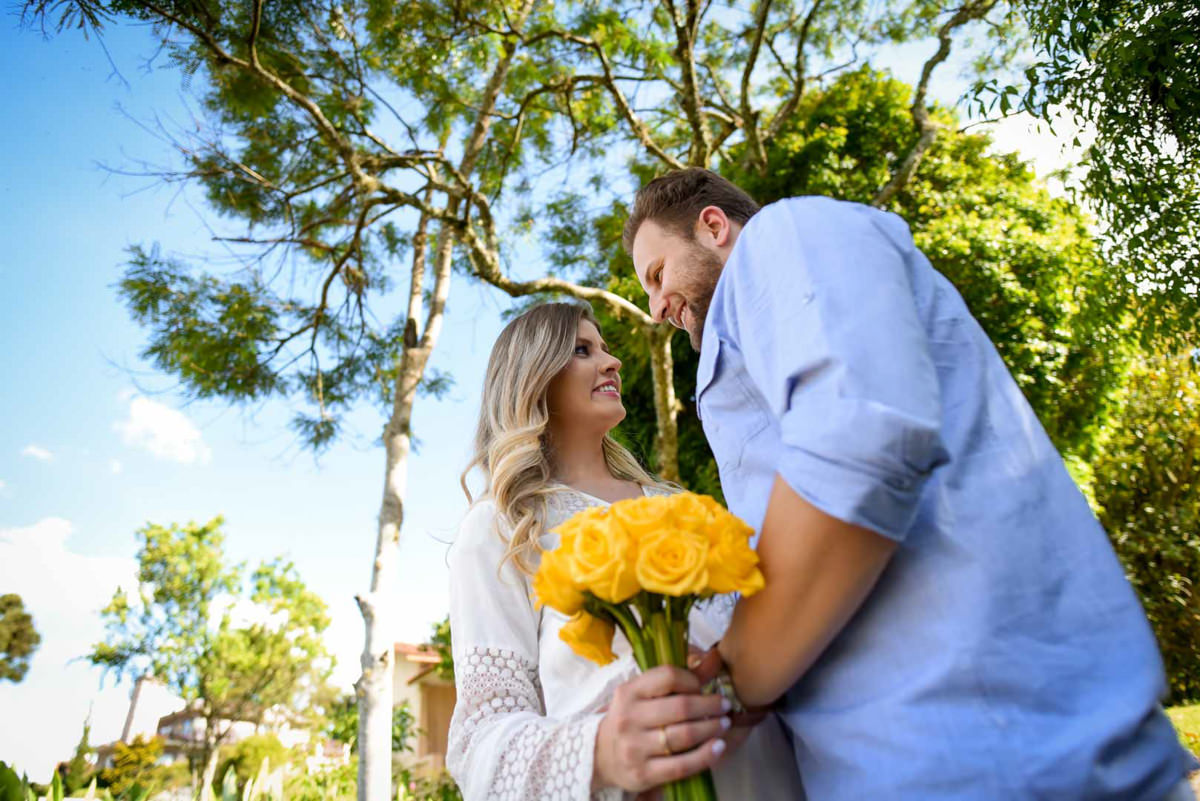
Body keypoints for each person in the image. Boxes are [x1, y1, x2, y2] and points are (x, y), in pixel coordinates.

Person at [624, 168, 1199, 800]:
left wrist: (735, 683)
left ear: (713, 227)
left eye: (657, 276)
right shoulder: (743, 334)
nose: (655, 309)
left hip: (999, 756)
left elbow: (856, 442)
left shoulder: (786, 235)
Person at [445, 302, 804, 800]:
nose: (611, 362)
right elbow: (477, 744)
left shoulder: (681, 506)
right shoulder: (503, 528)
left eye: (607, 350)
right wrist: (600, 753)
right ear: (533, 376)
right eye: (582, 350)